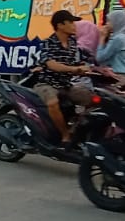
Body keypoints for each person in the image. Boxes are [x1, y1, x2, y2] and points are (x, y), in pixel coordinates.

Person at [36, 9, 95, 145]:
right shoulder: (48, 43)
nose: (74, 26)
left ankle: (75, 129)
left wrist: (92, 69)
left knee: (96, 100)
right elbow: (51, 64)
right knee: (52, 103)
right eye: (71, 22)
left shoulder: (73, 44)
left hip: (66, 85)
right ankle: (65, 135)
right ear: (60, 25)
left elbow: (80, 63)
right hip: (47, 83)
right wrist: (73, 69)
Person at [97, 9, 125, 76]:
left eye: (109, 21)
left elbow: (100, 57)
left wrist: (102, 38)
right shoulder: (124, 37)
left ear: (117, 22)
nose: (106, 24)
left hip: (121, 75)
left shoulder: (118, 38)